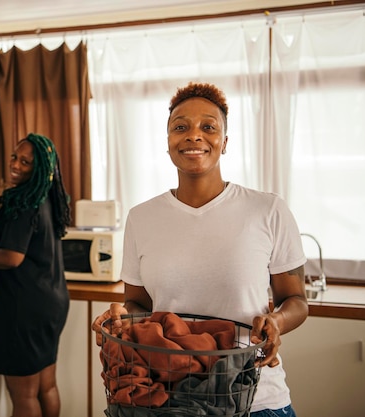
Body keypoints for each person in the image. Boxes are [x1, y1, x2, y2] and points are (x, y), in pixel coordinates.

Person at [92, 82, 309, 417]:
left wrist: (276, 321)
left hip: (254, 398)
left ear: (224, 142)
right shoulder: (141, 218)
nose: (194, 135)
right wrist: (124, 317)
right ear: (168, 143)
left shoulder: (267, 210)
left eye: (208, 127)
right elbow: (139, 304)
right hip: (168, 398)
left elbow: (296, 301)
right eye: (181, 127)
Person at [0, 133, 72, 417]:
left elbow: (12, 257)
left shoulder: (23, 200)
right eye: (14, 157)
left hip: (25, 306)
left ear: (40, 168)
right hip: (50, 302)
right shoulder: (44, 198)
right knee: (46, 387)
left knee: (23, 395)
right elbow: (28, 245)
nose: (16, 165)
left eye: (26, 162)